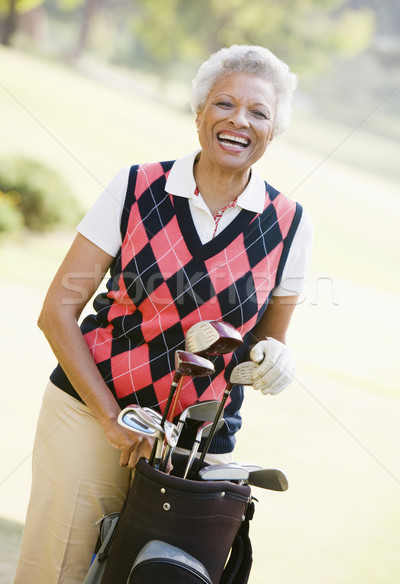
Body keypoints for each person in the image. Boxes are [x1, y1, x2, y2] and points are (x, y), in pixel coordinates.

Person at [15, 44, 313, 583]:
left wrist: (277, 360)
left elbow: (267, 342)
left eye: (258, 112)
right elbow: (57, 310)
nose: (238, 121)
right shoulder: (136, 187)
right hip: (89, 411)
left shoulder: (291, 224)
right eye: (224, 104)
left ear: (275, 130)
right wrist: (112, 420)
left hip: (197, 440)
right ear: (199, 112)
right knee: (55, 572)